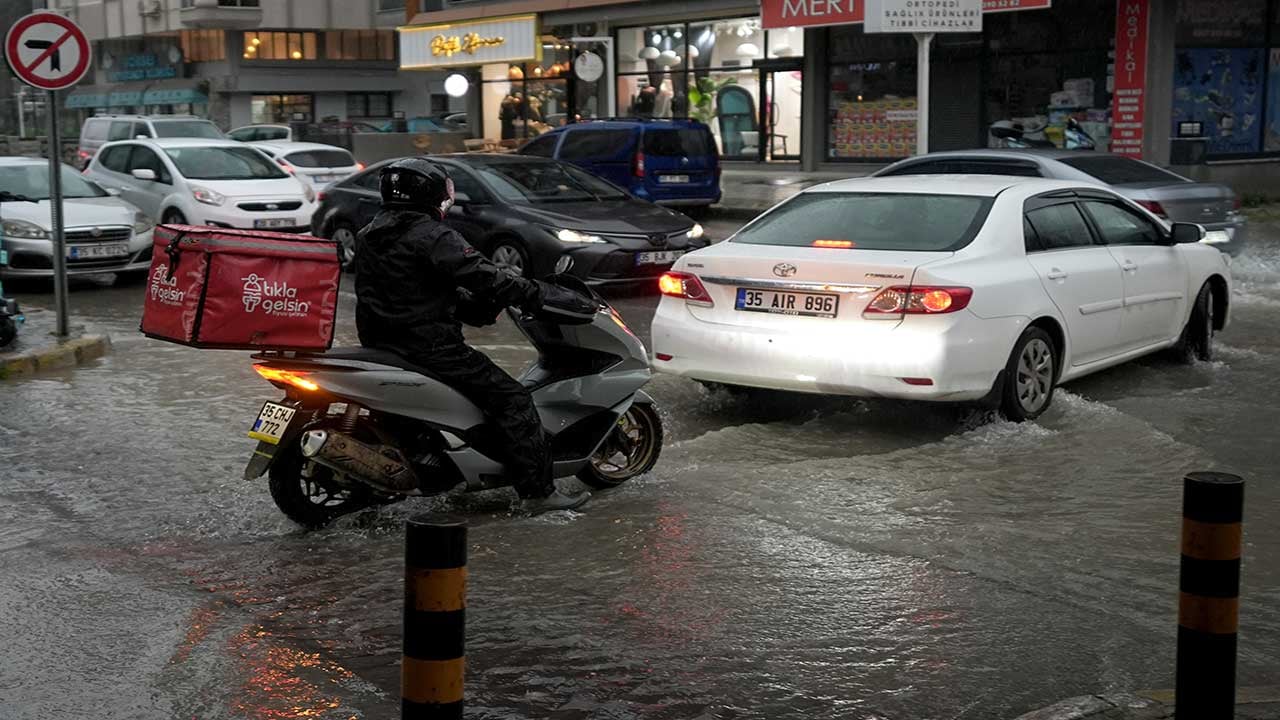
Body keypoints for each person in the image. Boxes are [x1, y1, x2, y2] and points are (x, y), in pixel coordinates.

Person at [354, 157, 591, 514]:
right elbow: (485, 275)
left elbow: (412, 288)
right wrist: (542, 294)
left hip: (383, 342)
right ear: (432, 193)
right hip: (430, 346)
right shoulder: (432, 234)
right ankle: (539, 494)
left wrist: (472, 306)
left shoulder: (371, 232)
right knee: (513, 400)